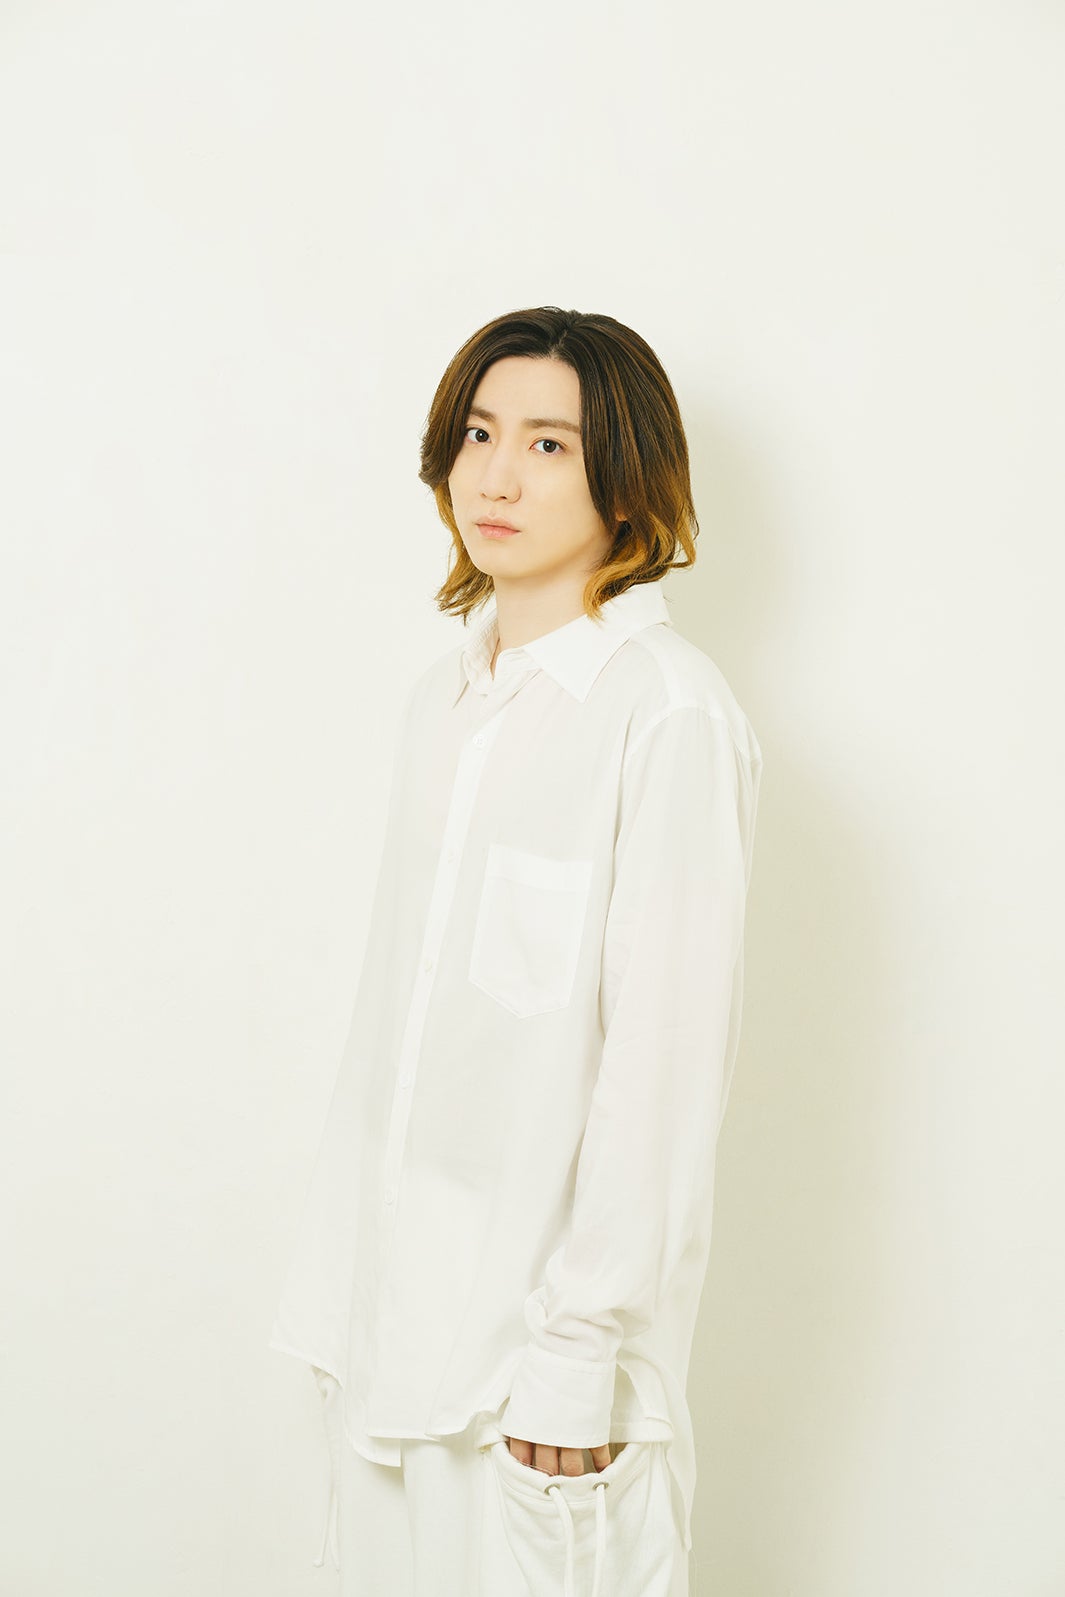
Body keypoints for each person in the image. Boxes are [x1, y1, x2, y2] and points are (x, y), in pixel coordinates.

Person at [268, 305, 763, 1596]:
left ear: (626, 476)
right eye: (479, 434)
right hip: (385, 1344)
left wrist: (579, 1351)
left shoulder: (667, 714)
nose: (495, 475)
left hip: (535, 1386)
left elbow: (661, 1067)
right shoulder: (441, 704)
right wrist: (344, 1301)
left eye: (549, 444)